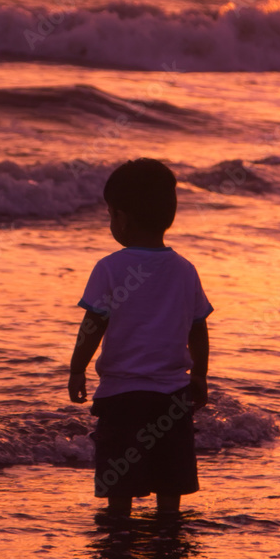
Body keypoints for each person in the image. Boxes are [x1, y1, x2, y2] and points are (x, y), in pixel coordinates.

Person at [68, 158, 212, 517]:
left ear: (123, 218)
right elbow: (198, 327)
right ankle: (167, 535)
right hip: (172, 396)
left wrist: (76, 368)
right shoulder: (184, 269)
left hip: (122, 396)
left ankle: (119, 537)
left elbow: (93, 324)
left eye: (110, 215)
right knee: (170, 482)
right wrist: (199, 376)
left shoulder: (111, 268)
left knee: (120, 486)